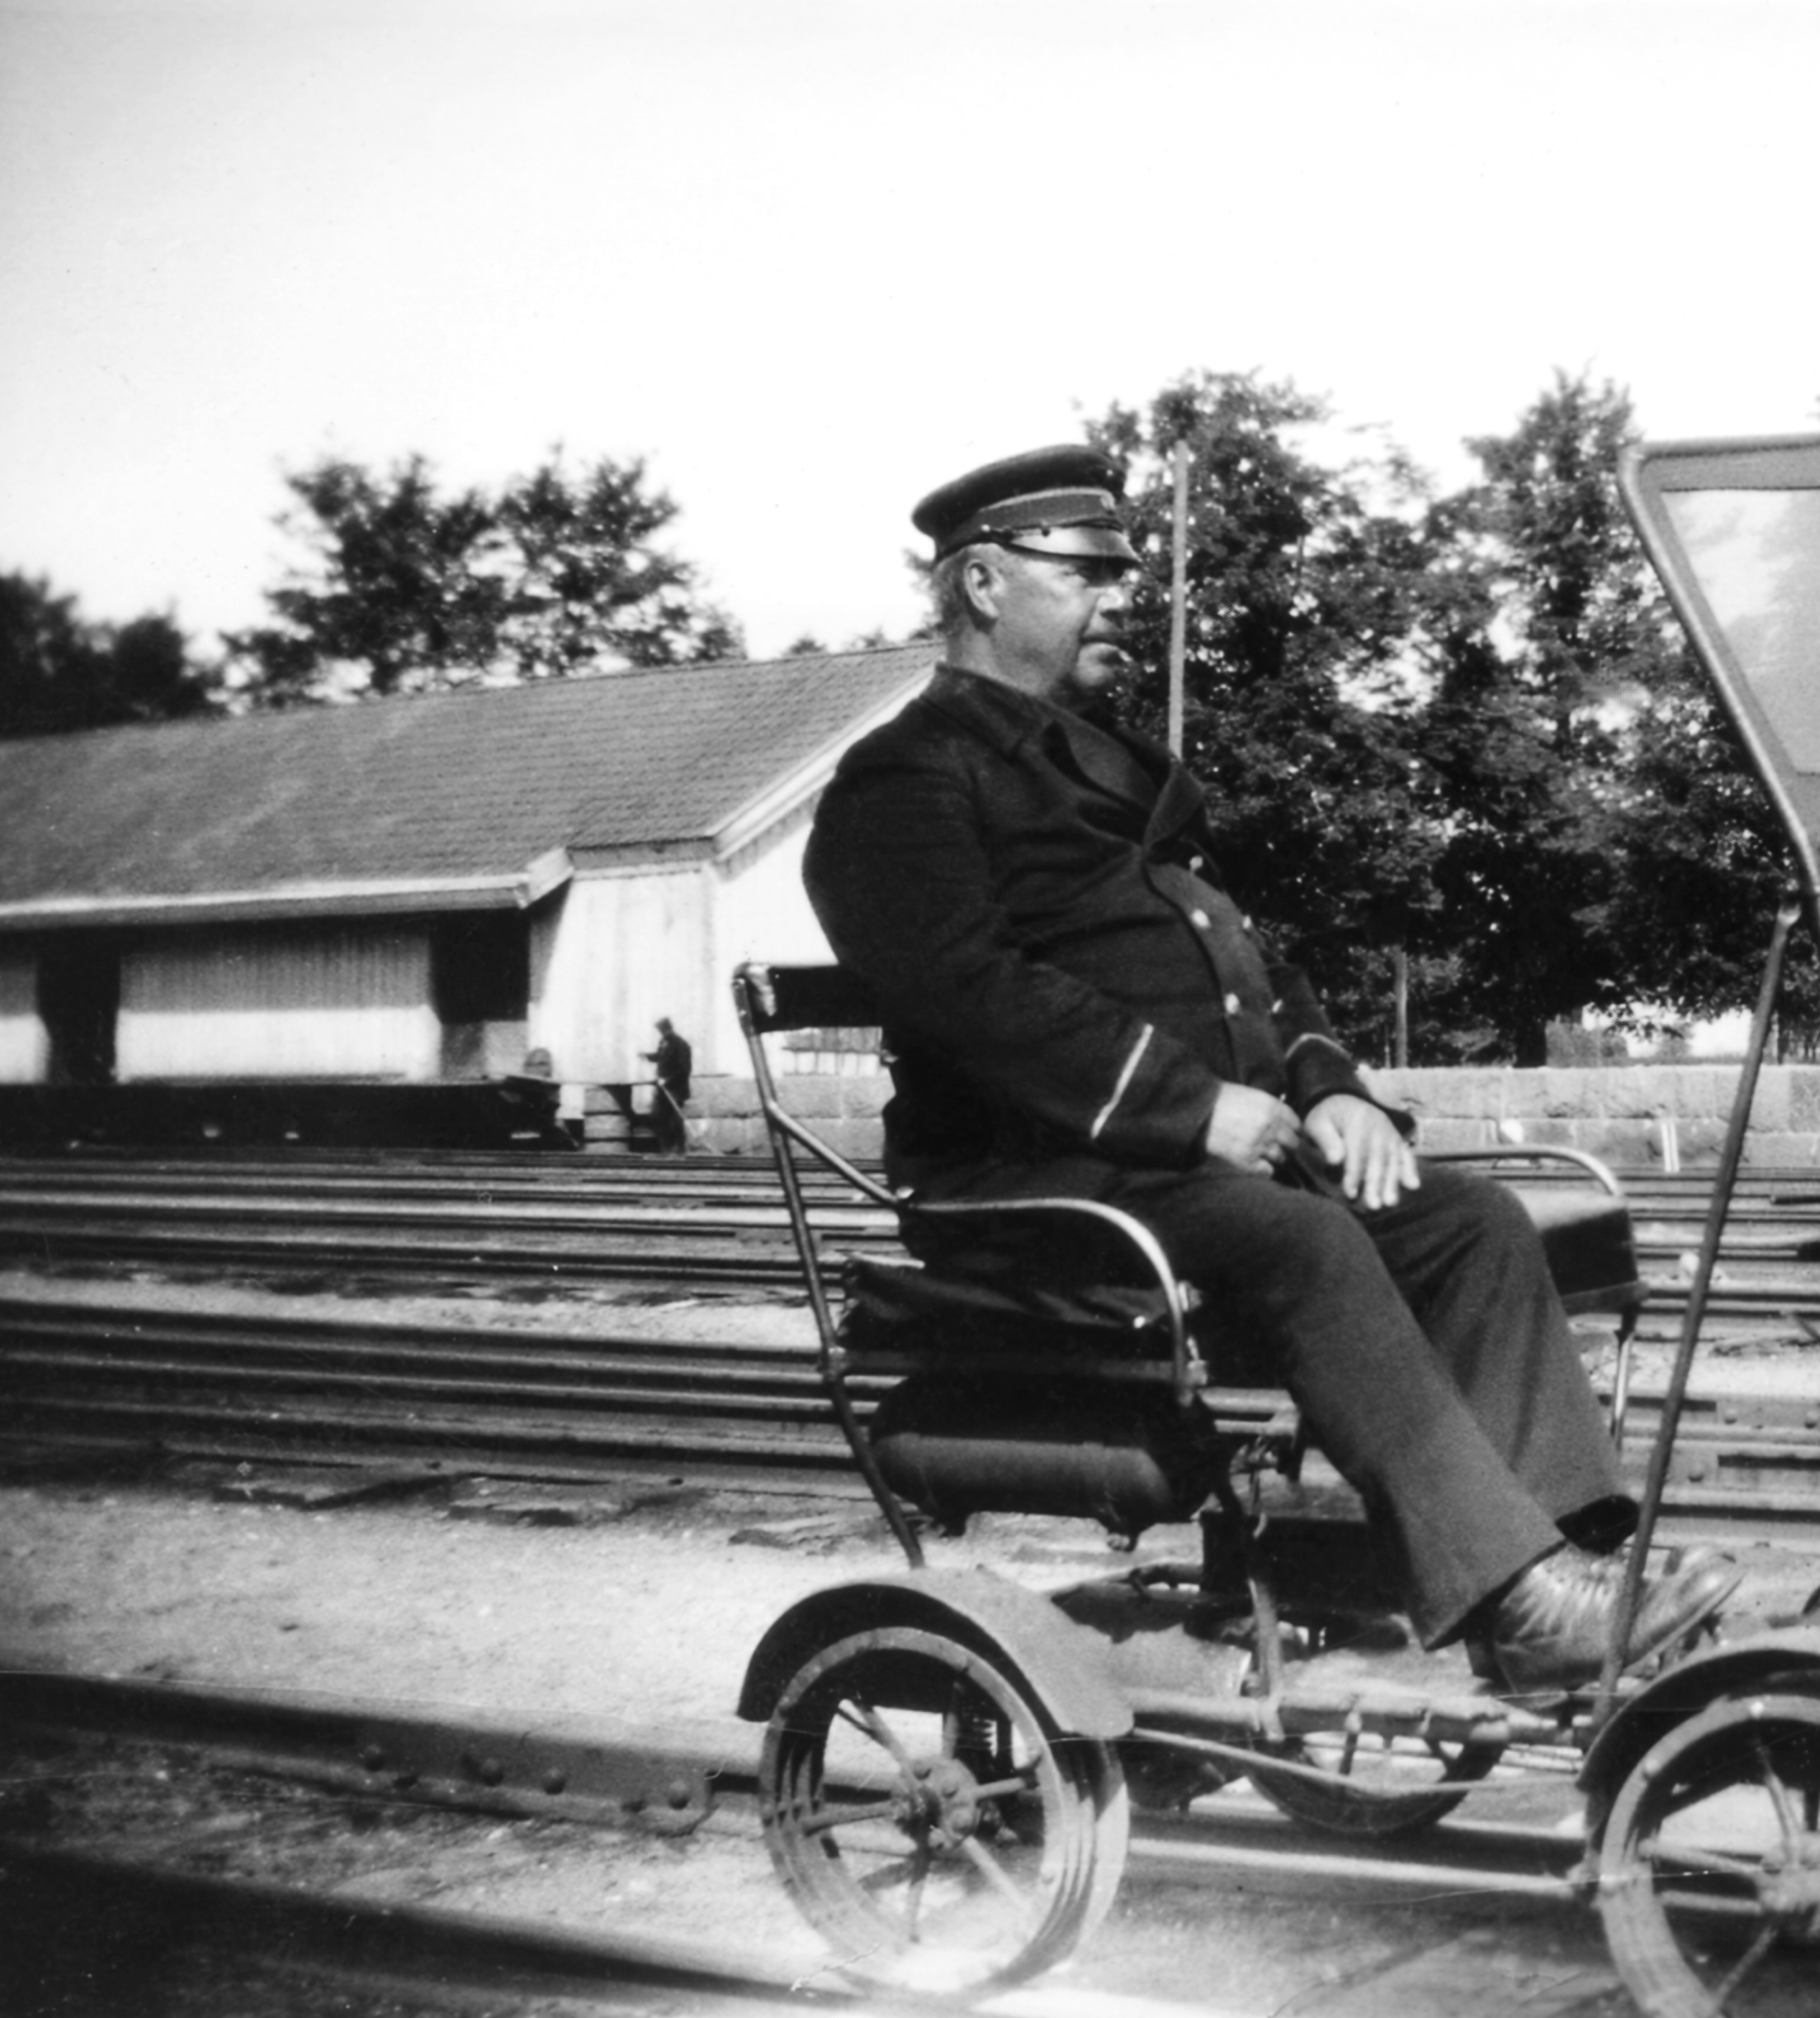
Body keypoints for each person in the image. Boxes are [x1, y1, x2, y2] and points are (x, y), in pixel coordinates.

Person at [802, 445, 1736, 1692]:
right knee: (1300, 1240)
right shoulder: (905, 779)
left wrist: (1331, 1086)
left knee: (1471, 1222)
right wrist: (1192, 1109)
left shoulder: (1099, 771)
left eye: (1125, 571)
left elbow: (1248, 969)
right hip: (1033, 1185)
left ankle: (1567, 1572)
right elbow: (969, 991)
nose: (1123, 597)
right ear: (981, 584)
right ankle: (1517, 1596)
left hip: (1175, 1175)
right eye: (1088, 572)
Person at [642, 1018, 693, 1154]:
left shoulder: (681, 1045)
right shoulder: (664, 1042)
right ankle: (665, 1149)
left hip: (676, 1090)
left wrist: (668, 1080)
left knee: (675, 1121)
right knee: (659, 1117)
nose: (662, 1034)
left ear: (668, 1029)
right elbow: (660, 1056)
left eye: (663, 1031)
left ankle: (680, 1150)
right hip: (663, 1090)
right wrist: (646, 1056)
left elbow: (684, 1070)